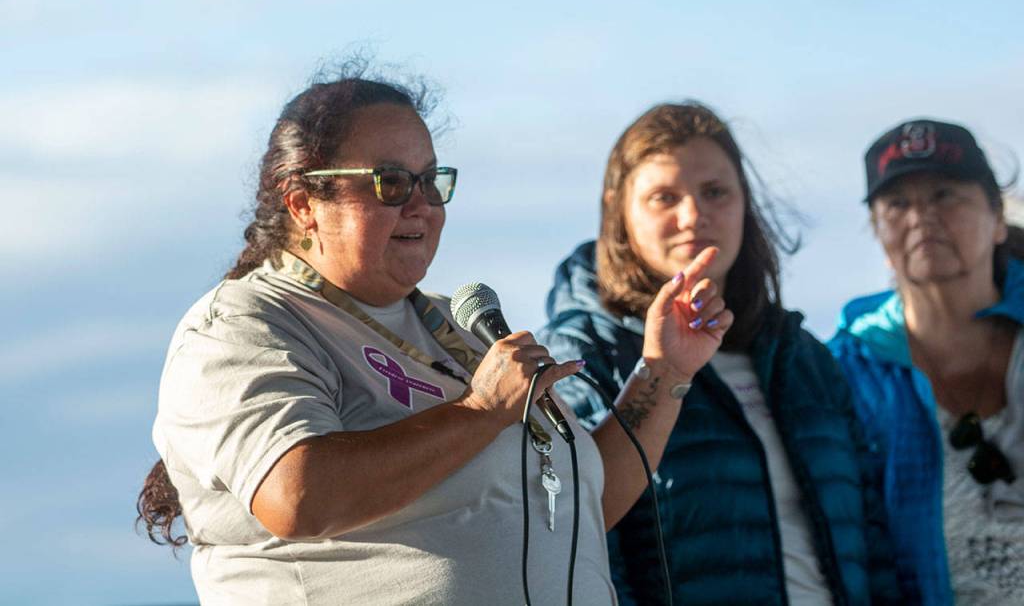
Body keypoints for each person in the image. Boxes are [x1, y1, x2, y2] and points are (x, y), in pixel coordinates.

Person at [136, 65, 733, 605]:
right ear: (303, 204)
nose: (422, 205)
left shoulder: (456, 327)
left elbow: (580, 508)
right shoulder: (243, 326)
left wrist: (664, 371)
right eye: (390, 183)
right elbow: (298, 496)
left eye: (431, 181)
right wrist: (480, 411)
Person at [539, 101, 903, 605]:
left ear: (744, 203)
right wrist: (660, 372)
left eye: (715, 192)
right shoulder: (580, 353)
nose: (693, 216)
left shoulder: (804, 357)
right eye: (664, 197)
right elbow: (573, 533)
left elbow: (872, 540)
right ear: (617, 210)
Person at [829, 119, 1024, 606]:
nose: (921, 218)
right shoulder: (844, 371)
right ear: (876, 229)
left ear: (998, 217)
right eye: (897, 204)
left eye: (945, 194)